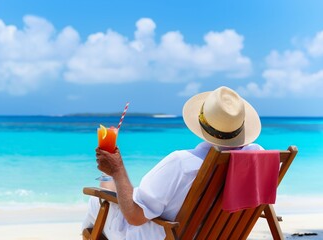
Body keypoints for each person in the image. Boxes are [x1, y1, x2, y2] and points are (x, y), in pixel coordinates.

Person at [82, 86, 263, 239]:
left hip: (164, 234)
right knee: (109, 184)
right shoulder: (256, 160)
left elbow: (134, 217)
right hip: (211, 233)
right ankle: (107, 176)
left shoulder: (181, 164)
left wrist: (118, 169)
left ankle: (107, 177)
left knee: (96, 200)